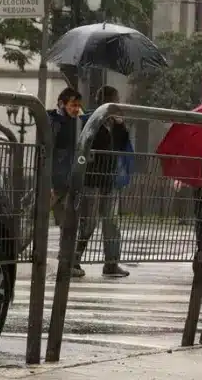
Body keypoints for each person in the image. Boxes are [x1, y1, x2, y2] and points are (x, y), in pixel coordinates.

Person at [71, 86, 130, 278]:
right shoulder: (92, 121)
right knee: (88, 222)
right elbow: (86, 145)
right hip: (92, 180)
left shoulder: (114, 125)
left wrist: (120, 125)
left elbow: (122, 145)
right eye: (115, 100)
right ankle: (74, 259)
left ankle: (111, 263)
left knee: (111, 222)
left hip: (109, 179)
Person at [49, 87, 82, 230]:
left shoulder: (75, 122)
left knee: (67, 223)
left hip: (68, 180)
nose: (77, 109)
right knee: (36, 216)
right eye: (73, 105)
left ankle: (65, 252)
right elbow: (48, 151)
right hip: (55, 181)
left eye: (79, 105)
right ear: (62, 104)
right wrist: (49, 182)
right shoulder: (54, 122)